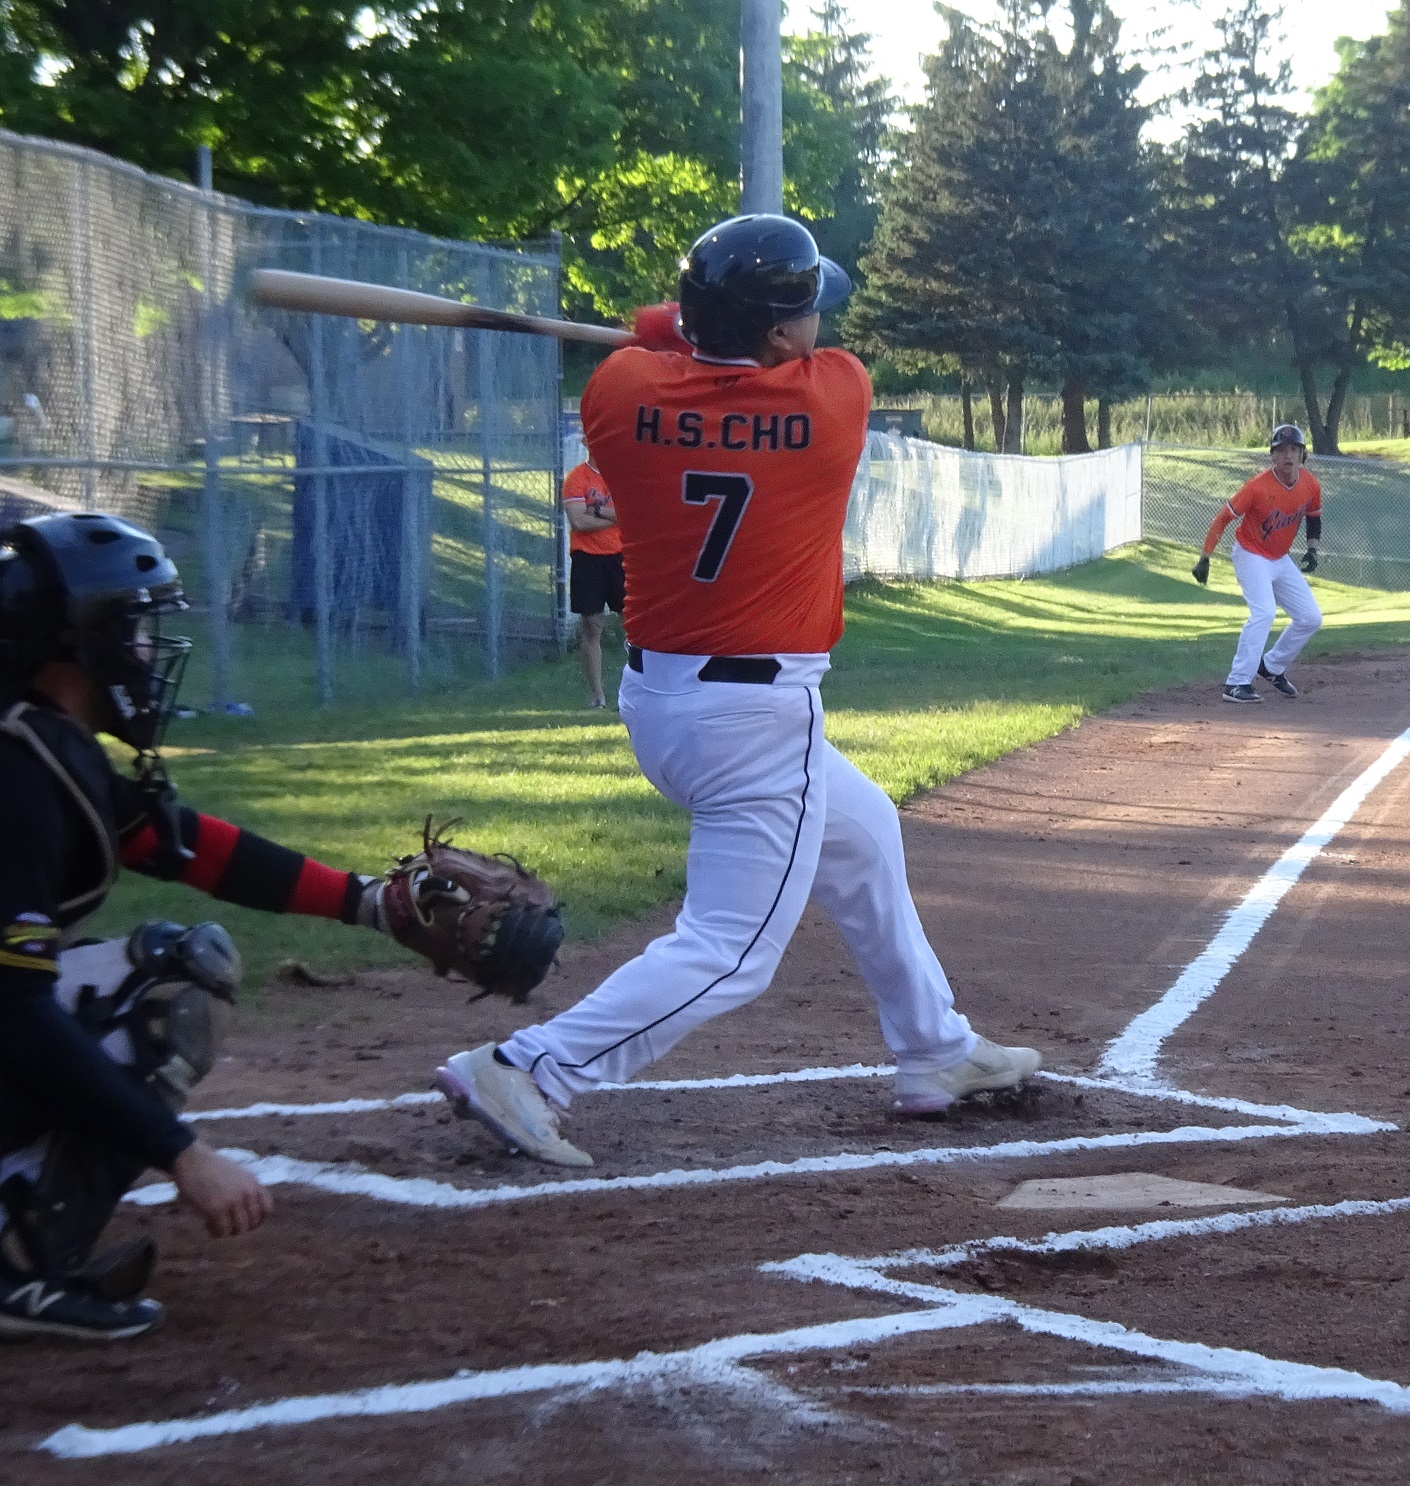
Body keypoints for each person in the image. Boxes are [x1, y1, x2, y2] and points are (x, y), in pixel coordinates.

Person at [433, 215, 1041, 1168]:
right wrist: (682, 329)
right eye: (805, 313)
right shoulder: (837, 399)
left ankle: (936, 1047)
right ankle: (533, 1068)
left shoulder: (618, 394)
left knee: (864, 834)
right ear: (779, 335)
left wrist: (683, 328)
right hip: (757, 720)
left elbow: (665, 349)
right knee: (732, 947)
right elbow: (701, 344)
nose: (818, 325)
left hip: (662, 704)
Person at [0, 513, 434, 1341]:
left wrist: (369, 902)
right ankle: (16, 1262)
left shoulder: (39, 743)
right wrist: (182, 1154)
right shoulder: (15, 779)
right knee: (166, 986)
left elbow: (185, 846)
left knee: (153, 972)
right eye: (130, 627)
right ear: (76, 641)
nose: (144, 650)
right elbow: (16, 1016)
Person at [1191, 423, 1324, 703]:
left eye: (1294, 449)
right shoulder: (1257, 487)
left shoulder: (1310, 485)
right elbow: (1223, 518)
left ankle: (1272, 666)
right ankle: (1236, 682)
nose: (1288, 456)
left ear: (1303, 455)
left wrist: (1312, 550)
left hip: (1279, 558)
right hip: (1250, 554)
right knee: (1264, 612)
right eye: (1281, 450)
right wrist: (1205, 556)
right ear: (1272, 456)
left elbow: (1314, 517)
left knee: (1310, 617)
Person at [561, 456, 623, 708]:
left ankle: (639, 685)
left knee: (636, 623)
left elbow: (632, 514)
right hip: (587, 557)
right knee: (591, 625)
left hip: (621, 555)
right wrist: (614, 516)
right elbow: (578, 521)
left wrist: (594, 509)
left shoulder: (622, 474)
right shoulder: (577, 478)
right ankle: (597, 694)